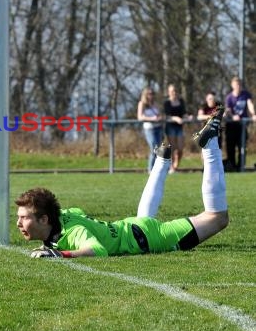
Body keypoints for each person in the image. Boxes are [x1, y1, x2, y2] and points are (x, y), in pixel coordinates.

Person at [16, 107, 228, 258]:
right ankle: (162, 159)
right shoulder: (64, 217)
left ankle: (209, 145)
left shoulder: (73, 233)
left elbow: (98, 250)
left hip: (151, 238)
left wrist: (60, 254)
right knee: (144, 218)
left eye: (24, 218)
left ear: (44, 220)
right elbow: (76, 212)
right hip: (133, 226)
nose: (18, 223)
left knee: (218, 218)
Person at [224, 76, 256, 171]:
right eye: (236, 84)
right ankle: (232, 166)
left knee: (242, 146)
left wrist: (253, 114)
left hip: (242, 125)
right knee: (231, 147)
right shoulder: (229, 97)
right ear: (232, 85)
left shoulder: (245, 94)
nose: (238, 86)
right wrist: (233, 116)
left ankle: (240, 166)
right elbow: (228, 110)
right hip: (231, 125)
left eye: (239, 84)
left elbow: (250, 104)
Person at [163, 84, 192, 173]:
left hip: (179, 127)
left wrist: (187, 117)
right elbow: (167, 116)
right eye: (172, 91)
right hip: (170, 127)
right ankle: (172, 167)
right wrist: (176, 118)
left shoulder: (181, 101)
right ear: (169, 92)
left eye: (175, 91)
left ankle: (176, 165)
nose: (174, 93)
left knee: (180, 148)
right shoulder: (166, 103)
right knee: (173, 148)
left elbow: (184, 113)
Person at [137, 86, 163, 173]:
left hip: (158, 127)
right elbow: (140, 117)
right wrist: (152, 118)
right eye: (149, 94)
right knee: (153, 148)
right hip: (149, 129)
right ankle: (151, 168)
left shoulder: (155, 104)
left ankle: (157, 168)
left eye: (152, 94)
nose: (151, 95)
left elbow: (159, 114)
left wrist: (159, 117)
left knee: (158, 149)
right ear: (145, 95)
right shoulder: (142, 104)